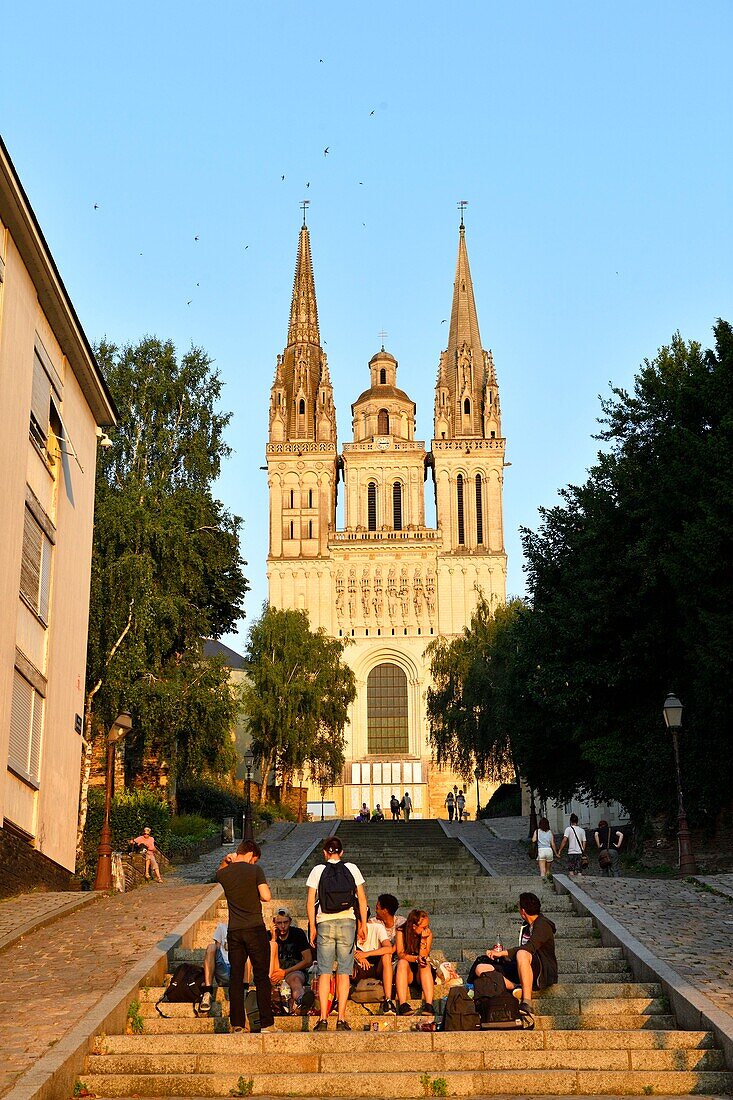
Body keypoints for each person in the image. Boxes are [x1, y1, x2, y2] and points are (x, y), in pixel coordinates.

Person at [469, 891, 557, 1027]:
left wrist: (503, 953)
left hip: (541, 970)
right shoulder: (527, 926)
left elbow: (530, 948)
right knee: (481, 968)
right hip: (523, 967)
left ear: (522, 911)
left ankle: (527, 1001)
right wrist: (502, 957)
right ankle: (517, 986)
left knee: (522, 953)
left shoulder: (543, 924)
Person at [306, 837, 367, 1032]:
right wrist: (363, 924)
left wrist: (313, 927)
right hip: (348, 922)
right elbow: (362, 899)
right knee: (343, 973)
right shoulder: (352, 868)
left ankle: (323, 1018)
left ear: (325, 852)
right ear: (341, 852)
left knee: (324, 972)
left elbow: (309, 902)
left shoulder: (318, 870)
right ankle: (341, 1019)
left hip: (324, 921)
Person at [215, 839, 274, 1033]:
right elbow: (266, 896)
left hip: (235, 931)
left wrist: (226, 859)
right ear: (251, 854)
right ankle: (266, 1024)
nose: (254, 863)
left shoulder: (225, 873)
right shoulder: (255, 871)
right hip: (255, 928)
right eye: (254, 860)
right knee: (261, 977)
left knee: (236, 977)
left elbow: (220, 870)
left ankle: (237, 1024)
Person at [269, 906, 315, 1013]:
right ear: (274, 922)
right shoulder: (268, 936)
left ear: (290, 921)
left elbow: (308, 960)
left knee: (295, 979)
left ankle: (301, 1000)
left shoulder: (297, 934)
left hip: (294, 970)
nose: (283, 926)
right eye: (279, 923)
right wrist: (273, 940)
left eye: (285, 922)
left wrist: (285, 972)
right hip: (274, 971)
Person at [353, 911, 395, 1014]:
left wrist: (366, 954)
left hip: (377, 967)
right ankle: (337, 1001)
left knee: (386, 956)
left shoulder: (377, 928)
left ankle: (388, 1000)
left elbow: (389, 948)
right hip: (359, 968)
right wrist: (357, 956)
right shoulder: (349, 933)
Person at [395, 908, 435, 1016]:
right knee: (402, 962)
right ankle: (403, 1004)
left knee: (424, 964)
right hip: (407, 970)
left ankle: (429, 1004)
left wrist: (423, 940)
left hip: (421, 972)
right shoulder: (401, 932)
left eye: (427, 926)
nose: (426, 929)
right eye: (423, 927)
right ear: (414, 926)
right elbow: (400, 954)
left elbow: (424, 955)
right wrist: (415, 959)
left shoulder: (428, 934)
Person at [200, 920, 230, 1014]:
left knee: (247, 949)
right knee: (211, 947)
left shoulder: (245, 926)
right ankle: (207, 992)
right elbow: (217, 947)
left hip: (240, 970)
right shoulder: (222, 927)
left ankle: (244, 990)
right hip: (223, 968)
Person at [558, 813, 587, 877]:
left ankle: (573, 882)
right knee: (579, 870)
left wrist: (560, 850)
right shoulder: (582, 830)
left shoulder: (568, 829)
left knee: (571, 870)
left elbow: (564, 840)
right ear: (577, 821)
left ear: (571, 821)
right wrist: (583, 850)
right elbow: (584, 841)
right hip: (579, 852)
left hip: (571, 852)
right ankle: (580, 882)